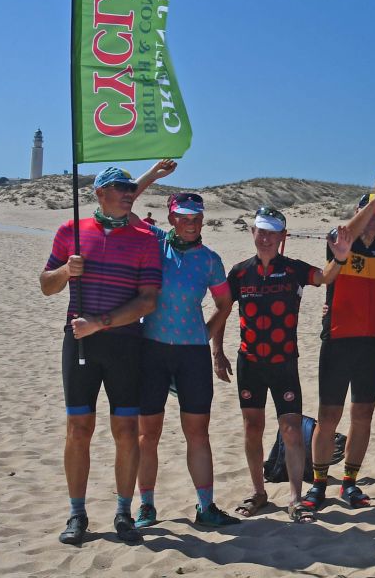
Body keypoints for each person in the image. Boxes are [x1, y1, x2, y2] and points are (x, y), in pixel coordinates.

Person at [39, 166, 163, 546]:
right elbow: (46, 286)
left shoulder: (144, 238)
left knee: (126, 431)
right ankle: (77, 514)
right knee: (79, 430)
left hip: (125, 343)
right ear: (99, 193)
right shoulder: (70, 232)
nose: (128, 193)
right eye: (120, 188)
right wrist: (65, 270)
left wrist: (102, 322)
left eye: (131, 188)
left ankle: (124, 512)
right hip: (79, 343)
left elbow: (148, 299)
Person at [212, 206, 348, 523]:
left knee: (290, 430)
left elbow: (326, 276)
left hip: (284, 363)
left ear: (282, 237)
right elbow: (222, 312)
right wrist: (217, 352)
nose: (266, 238)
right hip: (250, 363)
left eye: (273, 232)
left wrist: (339, 257)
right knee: (252, 428)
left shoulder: (293, 270)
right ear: (253, 233)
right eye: (261, 231)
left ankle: (296, 498)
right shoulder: (240, 272)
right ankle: (259, 492)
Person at [126, 159, 240, 529]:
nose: (191, 223)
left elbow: (225, 303)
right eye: (184, 217)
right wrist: (152, 177)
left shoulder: (210, 260)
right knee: (148, 434)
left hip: (191, 355)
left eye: (196, 217)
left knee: (197, 431)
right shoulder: (155, 243)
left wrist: (206, 334)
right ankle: (146, 506)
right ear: (172, 218)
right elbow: (124, 206)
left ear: (203, 220)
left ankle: (205, 506)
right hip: (152, 349)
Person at [303, 169, 375, 512]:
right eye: (370, 211)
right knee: (328, 416)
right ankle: (317, 484)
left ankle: (349, 483)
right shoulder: (340, 242)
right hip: (338, 339)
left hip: (372, 343)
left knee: (362, 416)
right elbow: (347, 229)